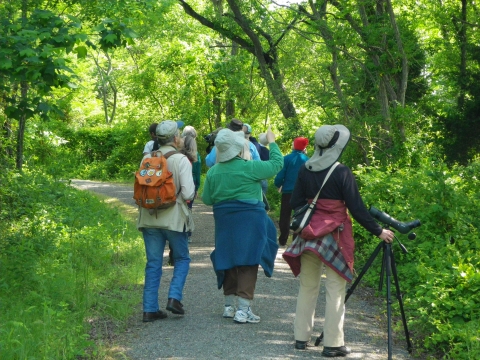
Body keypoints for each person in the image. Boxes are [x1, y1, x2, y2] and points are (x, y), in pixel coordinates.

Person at [282, 124, 394, 356]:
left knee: (308, 286)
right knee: (335, 288)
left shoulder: (305, 169)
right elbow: (357, 208)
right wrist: (379, 231)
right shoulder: (341, 172)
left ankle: (301, 338)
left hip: (309, 235)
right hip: (335, 236)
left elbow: (295, 204)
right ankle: (333, 344)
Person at [201, 127, 283, 324]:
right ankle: (243, 310)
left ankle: (229, 306)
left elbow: (207, 199)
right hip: (250, 219)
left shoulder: (213, 173)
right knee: (248, 258)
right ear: (238, 149)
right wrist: (272, 142)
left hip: (224, 220)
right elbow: (277, 164)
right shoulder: (250, 167)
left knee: (227, 257)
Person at [137, 120, 195, 322]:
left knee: (153, 263)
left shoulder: (146, 158)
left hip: (149, 217)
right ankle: (174, 298)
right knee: (182, 259)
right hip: (174, 219)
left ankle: (149, 309)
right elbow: (188, 193)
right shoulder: (181, 160)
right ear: (176, 138)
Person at [274, 137, 310, 246]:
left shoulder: (286, 159)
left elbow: (280, 176)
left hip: (288, 192)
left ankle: (283, 239)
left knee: (285, 215)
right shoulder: (308, 160)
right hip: (302, 193)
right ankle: (296, 240)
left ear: (294, 145)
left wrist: (278, 185)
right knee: (299, 215)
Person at [181, 125, 201, 243]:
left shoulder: (179, 152)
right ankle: (187, 233)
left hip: (181, 180)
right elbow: (197, 173)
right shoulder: (196, 155)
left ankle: (179, 230)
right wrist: (197, 187)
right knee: (189, 208)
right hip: (191, 182)